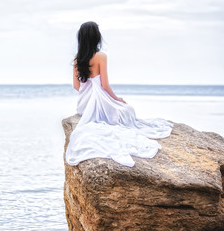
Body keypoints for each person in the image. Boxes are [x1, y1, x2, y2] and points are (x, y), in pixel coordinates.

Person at [66, 21, 173, 167]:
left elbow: (76, 86)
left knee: (119, 112)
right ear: (96, 37)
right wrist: (116, 99)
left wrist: (89, 97)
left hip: (83, 105)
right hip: (99, 101)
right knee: (127, 110)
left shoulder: (77, 59)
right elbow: (104, 85)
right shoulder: (101, 56)